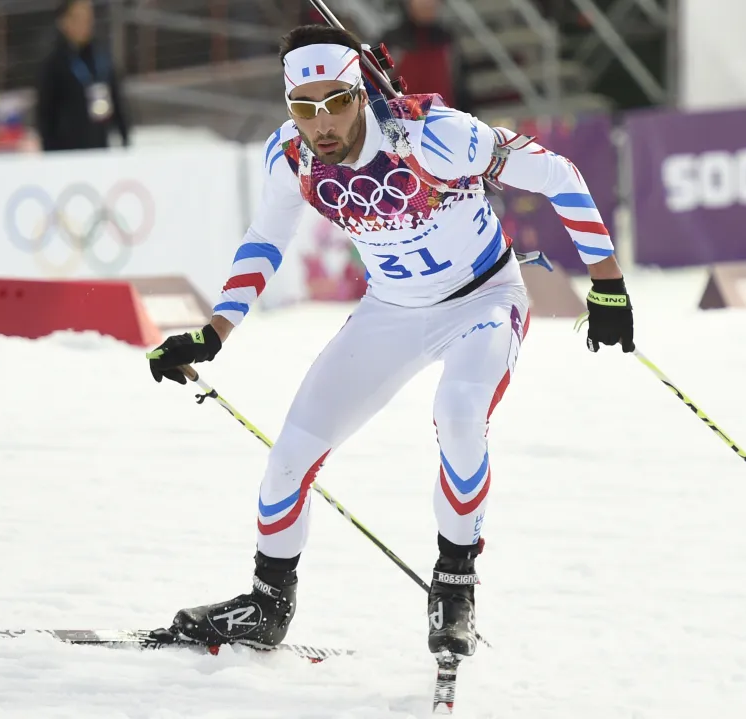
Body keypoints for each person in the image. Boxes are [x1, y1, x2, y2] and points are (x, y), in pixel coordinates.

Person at [145, 24, 634, 659]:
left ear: (360, 91)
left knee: (459, 415)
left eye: (337, 103)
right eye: (303, 108)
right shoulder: (290, 158)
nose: (320, 125)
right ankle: (267, 606)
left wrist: (609, 284)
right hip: (391, 312)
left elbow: (559, 175)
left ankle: (454, 586)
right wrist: (214, 333)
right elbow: (264, 241)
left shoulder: (435, 134)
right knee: (288, 456)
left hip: (483, 301)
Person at [35, 0, 129, 152]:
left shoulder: (101, 57)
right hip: (67, 151)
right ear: (64, 22)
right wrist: (49, 151)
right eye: (77, 18)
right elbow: (45, 114)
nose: (84, 24)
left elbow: (117, 99)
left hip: (100, 146)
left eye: (88, 18)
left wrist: (125, 136)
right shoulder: (54, 63)